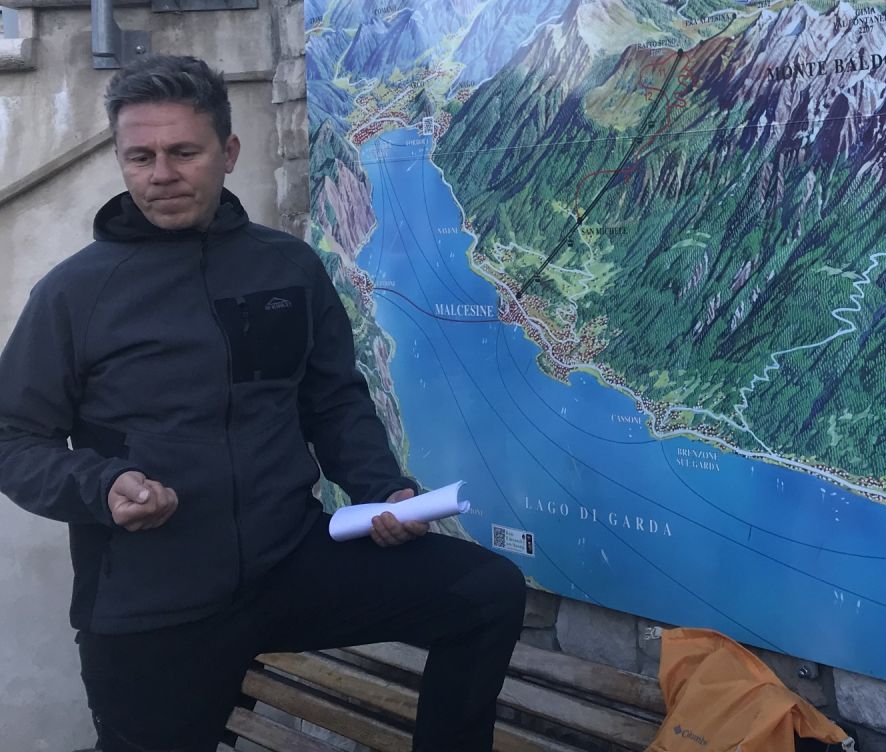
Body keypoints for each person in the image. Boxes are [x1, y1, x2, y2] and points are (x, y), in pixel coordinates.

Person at [0, 54, 526, 751]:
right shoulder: (73, 294)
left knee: (486, 593)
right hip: (153, 601)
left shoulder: (286, 267)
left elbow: (332, 400)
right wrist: (101, 486)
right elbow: (12, 438)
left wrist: (382, 490)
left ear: (228, 152)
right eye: (141, 157)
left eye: (184, 152)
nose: (161, 174)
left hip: (293, 563)